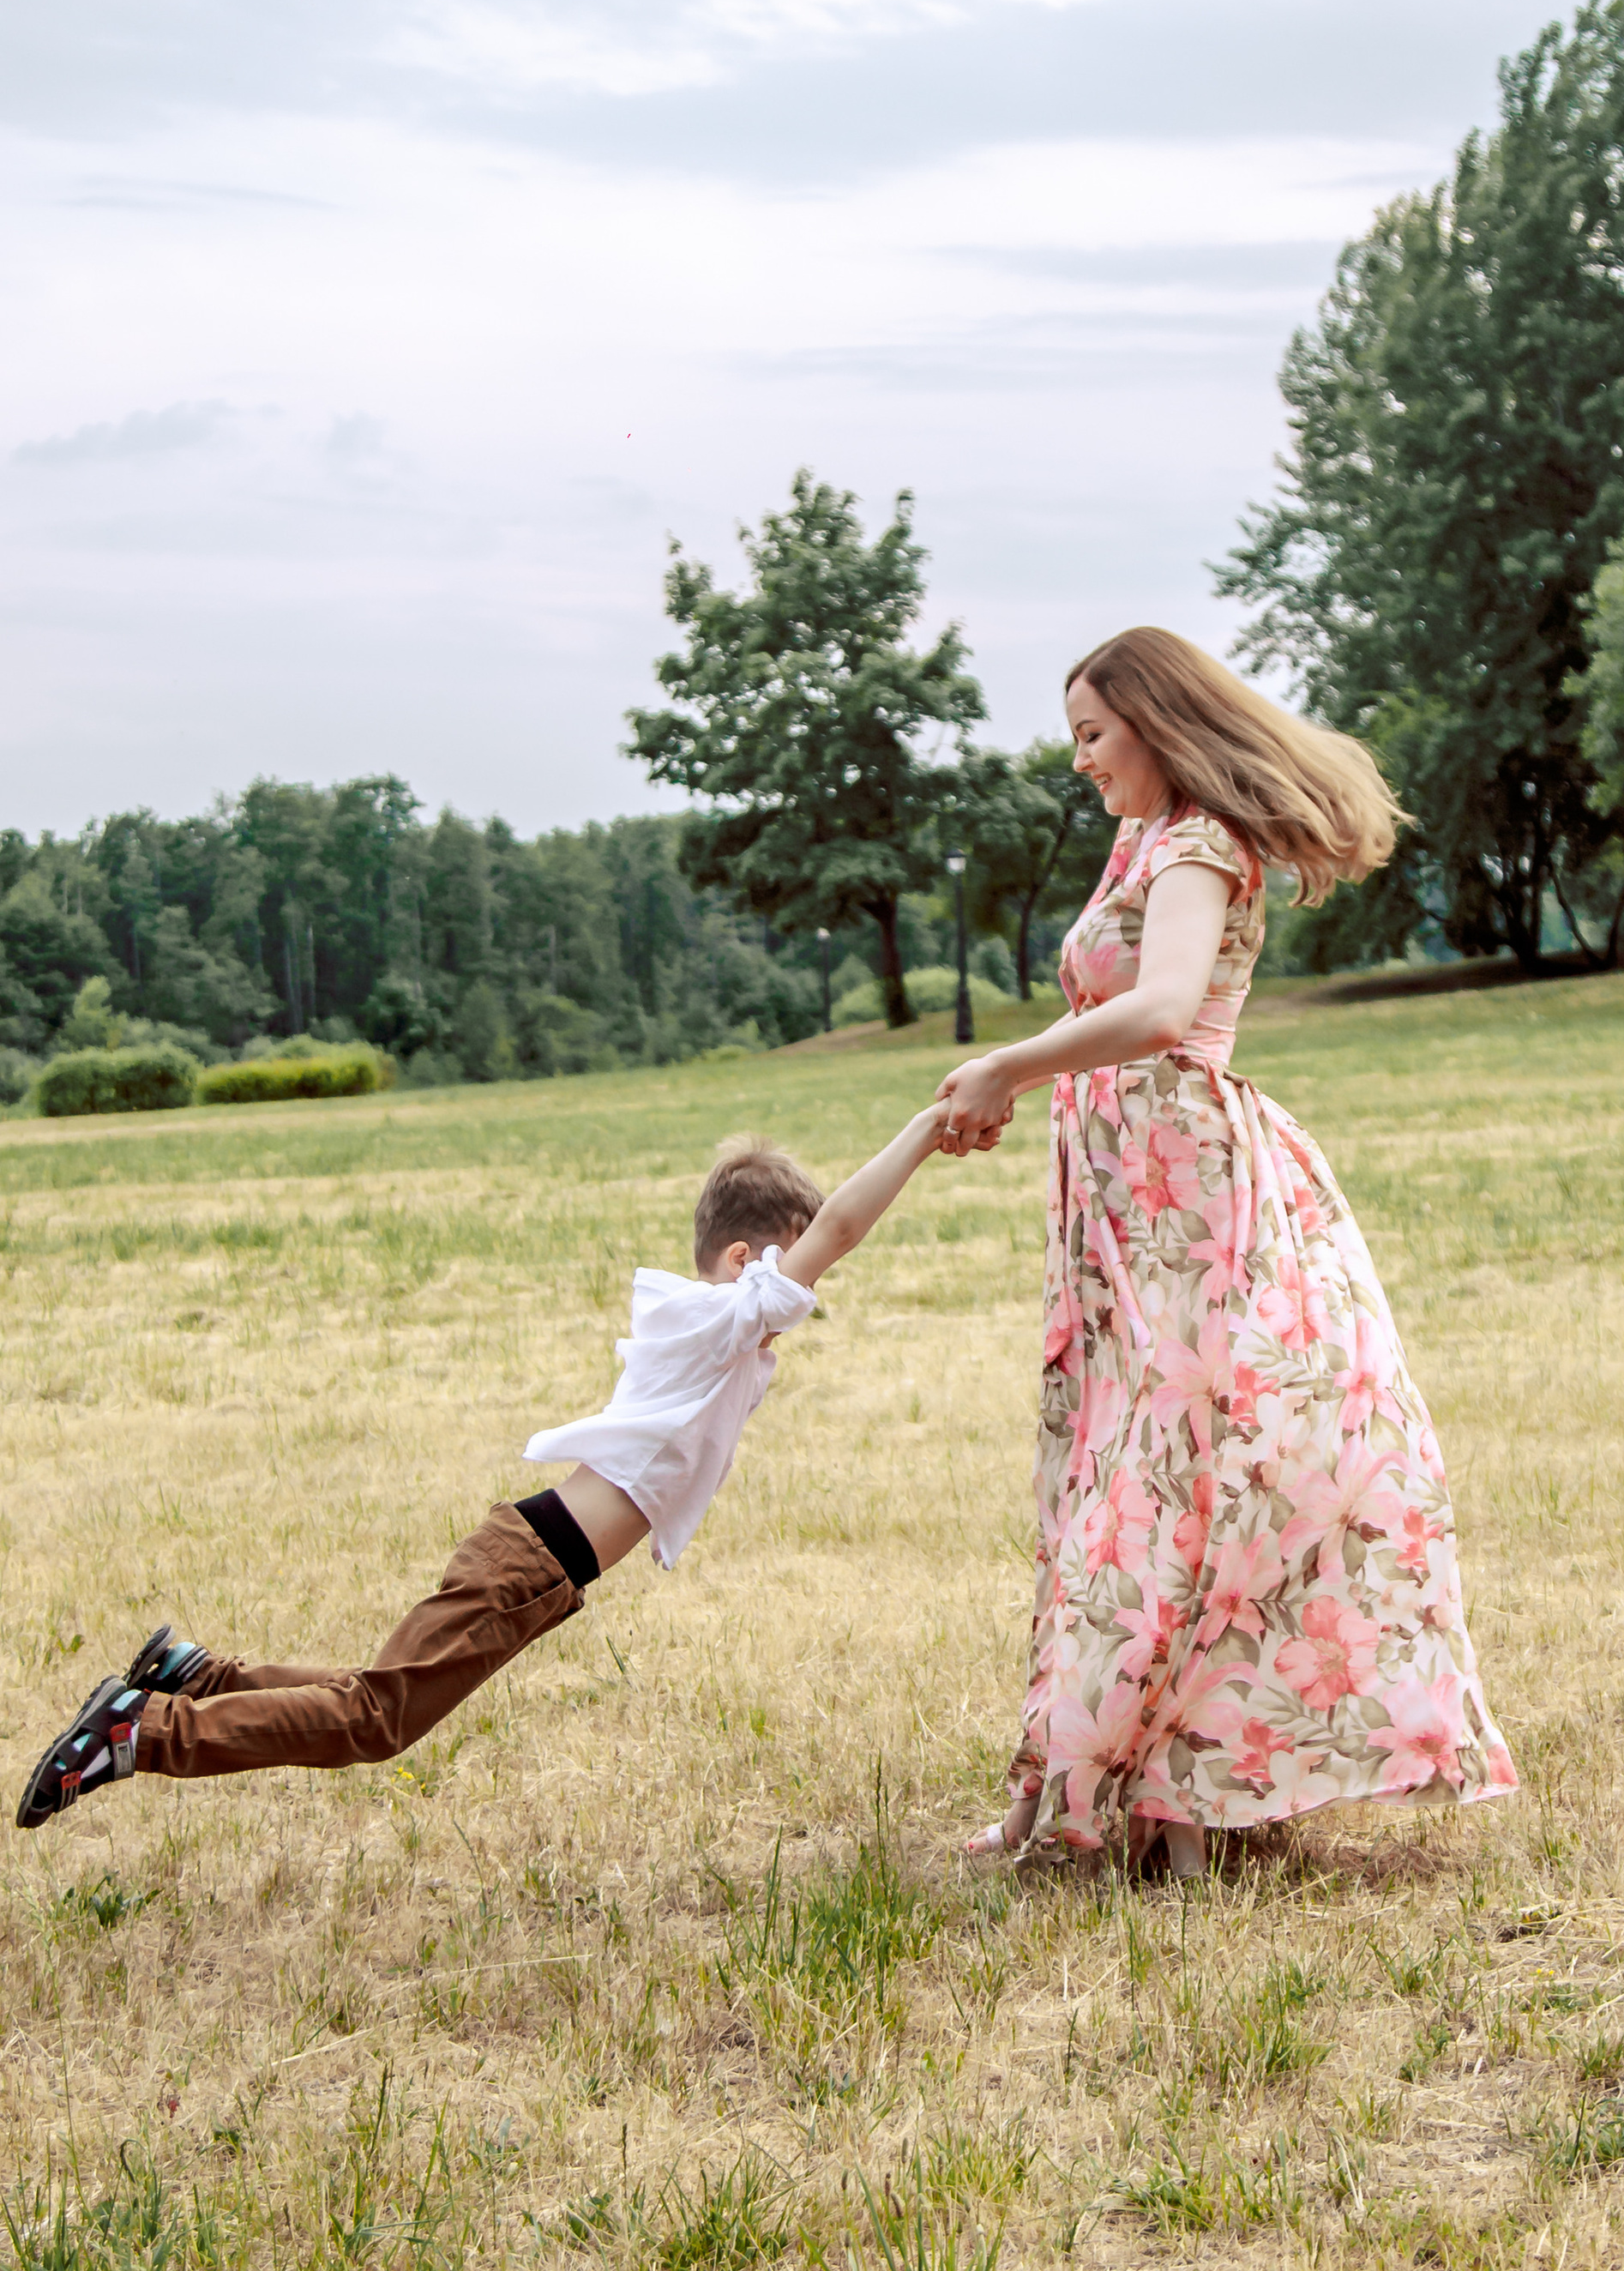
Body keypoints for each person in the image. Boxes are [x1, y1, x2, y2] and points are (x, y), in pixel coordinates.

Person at [935, 627, 1518, 1875]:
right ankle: (1141, 1781)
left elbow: (1156, 1009)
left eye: (1095, 735)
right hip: (1126, 1197)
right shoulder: (1138, 840)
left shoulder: (1199, 843)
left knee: (1196, 1466)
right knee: (1130, 1471)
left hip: (1190, 1188)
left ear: (1155, 721)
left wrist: (1007, 1064)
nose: (1083, 761)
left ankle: (1193, 1793)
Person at [18, 1110, 948, 1827]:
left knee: (369, 1698)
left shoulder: (718, 1334)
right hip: (528, 1567)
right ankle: (140, 1731)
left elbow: (822, 1243)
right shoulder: (721, 1320)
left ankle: (195, 1676)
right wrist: (927, 1127)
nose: (808, 1291)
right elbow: (843, 1231)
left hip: (534, 1563)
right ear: (745, 1261)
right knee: (373, 1723)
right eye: (795, 1267)